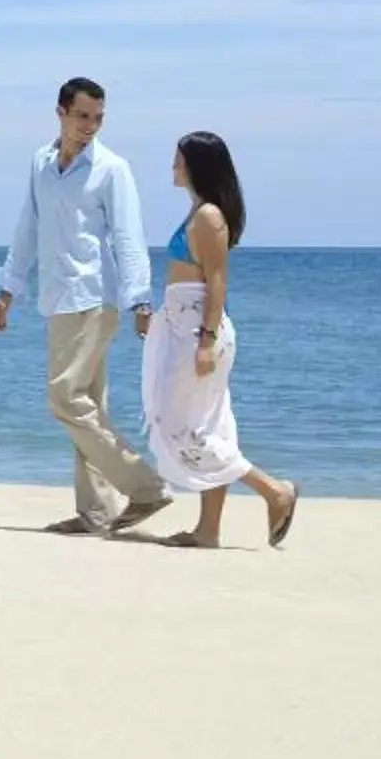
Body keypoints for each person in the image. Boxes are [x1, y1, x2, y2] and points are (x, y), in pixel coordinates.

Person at [0, 77, 171, 535]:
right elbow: (27, 226)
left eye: (98, 118)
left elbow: (129, 237)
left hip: (96, 295)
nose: (90, 126)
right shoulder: (41, 162)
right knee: (88, 404)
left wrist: (140, 300)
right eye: (82, 116)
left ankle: (146, 487)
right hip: (58, 296)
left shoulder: (112, 169)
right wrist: (9, 287)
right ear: (61, 112)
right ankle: (96, 513)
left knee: (64, 397)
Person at [142, 131, 301, 550]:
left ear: (196, 165)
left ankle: (274, 492)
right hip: (184, 324)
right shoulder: (198, 211)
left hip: (198, 329)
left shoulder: (210, 216)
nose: (172, 166)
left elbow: (217, 281)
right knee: (212, 428)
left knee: (184, 430)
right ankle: (208, 530)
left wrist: (206, 341)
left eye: (178, 159)